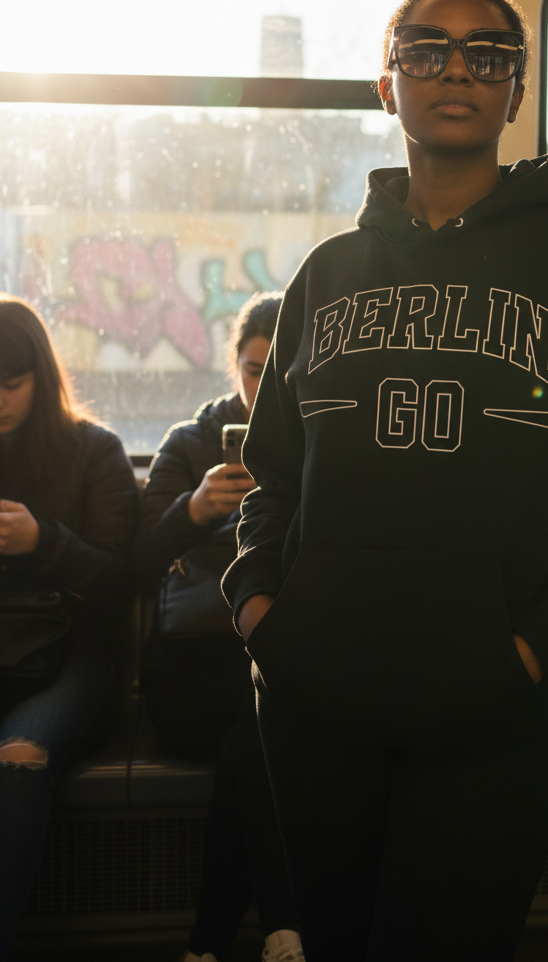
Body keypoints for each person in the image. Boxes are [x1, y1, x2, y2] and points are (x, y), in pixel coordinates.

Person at [222, 0, 548, 962]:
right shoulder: (327, 273)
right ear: (384, 83)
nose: (456, 70)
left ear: (516, 92)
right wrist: (260, 612)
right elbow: (271, 479)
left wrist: (534, 649)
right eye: (426, 48)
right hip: (316, 704)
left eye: (488, 55)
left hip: (490, 706)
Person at [136, 291, 303, 962]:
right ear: (234, 366)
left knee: (253, 720)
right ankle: (284, 925)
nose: (264, 384)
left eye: (280, 369)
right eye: (254, 368)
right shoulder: (190, 443)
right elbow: (137, 562)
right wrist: (195, 509)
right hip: (189, 674)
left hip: (266, 670)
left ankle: (206, 945)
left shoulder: (316, 443)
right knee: (257, 715)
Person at [0, 295, 138, 961]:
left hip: (71, 653)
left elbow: (119, 585)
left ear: (42, 379)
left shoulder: (95, 451)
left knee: (20, 759)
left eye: (12, 384)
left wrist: (39, 543)